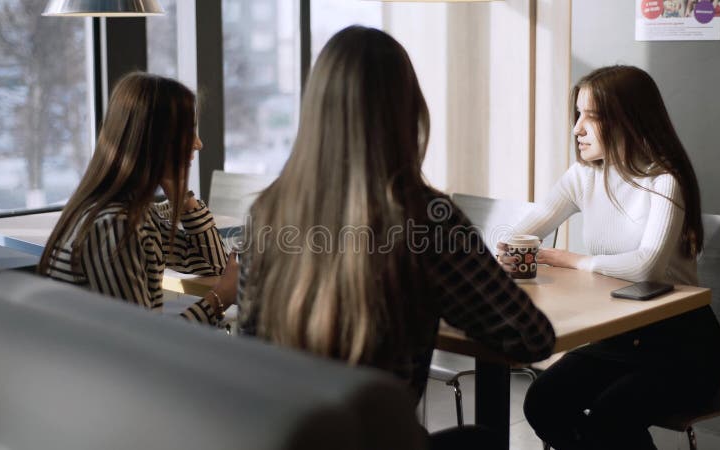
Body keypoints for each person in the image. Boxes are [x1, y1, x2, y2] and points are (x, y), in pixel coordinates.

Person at [236, 26, 556, 449]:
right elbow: (532, 337)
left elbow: (248, 344)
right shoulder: (428, 221)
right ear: (408, 114)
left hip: (284, 437)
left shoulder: (267, 212)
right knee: (483, 440)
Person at [497, 65, 720, 450]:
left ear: (630, 120)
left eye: (593, 116)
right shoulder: (583, 176)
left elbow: (645, 266)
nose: (577, 128)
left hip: (683, 346)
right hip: (617, 338)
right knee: (543, 402)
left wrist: (569, 259)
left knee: (611, 418)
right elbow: (520, 231)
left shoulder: (664, 180)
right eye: (578, 115)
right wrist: (511, 248)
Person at [39, 72, 238, 326]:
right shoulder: (118, 225)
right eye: (189, 132)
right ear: (155, 141)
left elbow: (216, 264)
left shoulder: (135, 213)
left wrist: (183, 199)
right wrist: (218, 299)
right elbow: (144, 342)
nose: (198, 144)